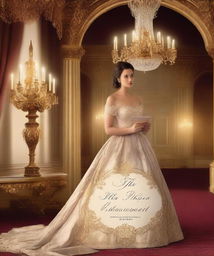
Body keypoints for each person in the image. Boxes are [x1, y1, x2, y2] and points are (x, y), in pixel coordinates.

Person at [0, 61, 183, 256]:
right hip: (119, 146)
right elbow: (108, 129)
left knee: (143, 186)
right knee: (113, 186)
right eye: (126, 76)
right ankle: (109, 230)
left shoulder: (138, 99)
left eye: (132, 75)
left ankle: (141, 231)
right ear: (118, 78)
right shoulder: (112, 100)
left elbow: (140, 124)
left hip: (139, 146)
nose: (130, 79)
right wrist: (130, 129)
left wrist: (144, 128)